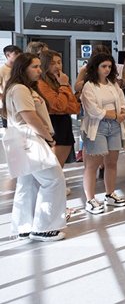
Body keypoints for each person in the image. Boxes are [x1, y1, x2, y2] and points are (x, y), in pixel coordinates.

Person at [4, 53, 67, 241]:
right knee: (54, 180)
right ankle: (44, 227)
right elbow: (29, 117)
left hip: (23, 139)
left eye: (40, 66)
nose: (40, 70)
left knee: (28, 183)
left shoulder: (19, 88)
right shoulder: (21, 89)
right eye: (35, 67)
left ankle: (24, 226)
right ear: (22, 69)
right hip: (31, 139)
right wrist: (48, 138)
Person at [80, 53, 125, 215]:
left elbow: (122, 102)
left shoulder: (113, 84)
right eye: (103, 66)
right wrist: (114, 115)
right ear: (96, 67)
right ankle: (90, 199)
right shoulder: (89, 86)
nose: (107, 70)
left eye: (109, 66)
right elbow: (93, 110)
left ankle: (110, 194)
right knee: (92, 165)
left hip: (115, 127)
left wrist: (121, 113)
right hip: (97, 128)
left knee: (112, 163)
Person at [36, 50, 80, 172]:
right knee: (52, 167)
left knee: (58, 166)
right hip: (51, 122)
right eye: (52, 63)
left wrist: (64, 88)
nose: (57, 66)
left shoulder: (60, 81)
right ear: (45, 65)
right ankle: (54, 189)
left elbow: (75, 107)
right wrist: (64, 87)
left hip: (64, 121)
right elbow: (58, 105)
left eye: (59, 62)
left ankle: (57, 187)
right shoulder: (41, 83)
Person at [0, 44, 22, 127]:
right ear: (8, 55)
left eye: (19, 53)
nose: (19, 55)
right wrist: (4, 99)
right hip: (7, 106)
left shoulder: (18, 70)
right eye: (16, 53)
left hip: (18, 103)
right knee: (9, 129)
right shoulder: (2, 70)